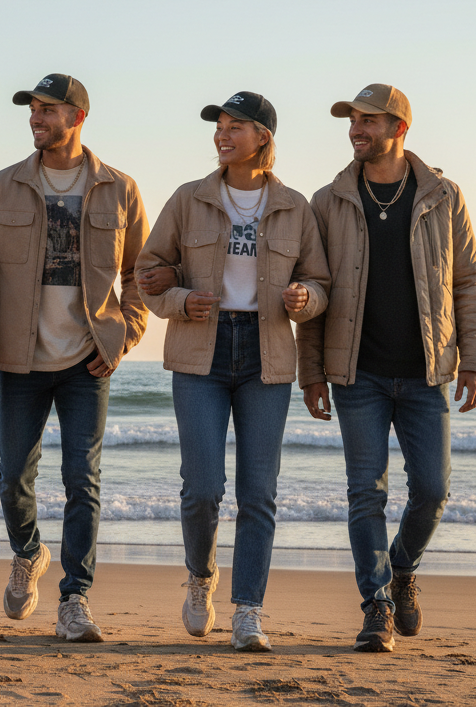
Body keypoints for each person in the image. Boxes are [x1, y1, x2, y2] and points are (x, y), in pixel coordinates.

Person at [135, 92, 330, 651]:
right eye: (219, 126)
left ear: (263, 136)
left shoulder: (295, 206)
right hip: (202, 351)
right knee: (201, 489)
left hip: (267, 355)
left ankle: (248, 611)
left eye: (235, 126)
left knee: (258, 492)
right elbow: (149, 270)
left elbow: (320, 281)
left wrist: (304, 298)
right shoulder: (188, 199)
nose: (222, 135)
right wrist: (179, 301)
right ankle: (201, 578)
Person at [298, 84, 476, 653]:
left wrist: (474, 361)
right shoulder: (327, 200)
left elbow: (468, 283)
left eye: (368, 120)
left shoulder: (443, 196)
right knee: (366, 493)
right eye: (352, 120)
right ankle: (376, 603)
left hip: (428, 371)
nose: (356, 129)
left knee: (433, 489)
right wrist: (312, 372)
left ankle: (402, 568)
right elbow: (314, 288)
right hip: (358, 375)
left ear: (399, 128)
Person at [0, 74, 156, 643]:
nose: (36, 118)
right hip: (20, 359)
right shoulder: (4, 187)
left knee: (84, 480)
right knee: (12, 478)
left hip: (87, 359)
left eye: (47, 110)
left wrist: (125, 334)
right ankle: (28, 551)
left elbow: (142, 275)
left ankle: (75, 598)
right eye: (32, 109)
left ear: (77, 117)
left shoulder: (119, 189)